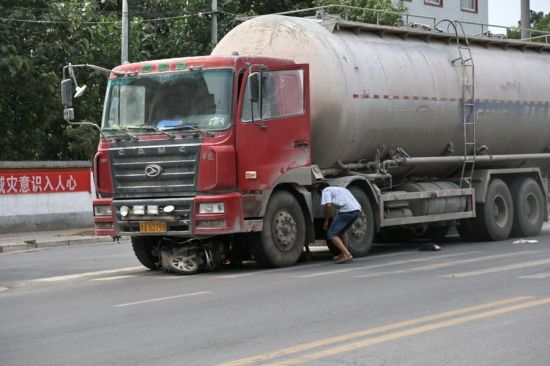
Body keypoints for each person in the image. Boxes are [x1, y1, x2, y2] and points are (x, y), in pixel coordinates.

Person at [320, 184, 362, 264]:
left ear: (321, 191)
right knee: (342, 232)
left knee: (331, 234)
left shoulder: (325, 190)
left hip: (347, 211)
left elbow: (328, 205)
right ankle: (343, 253)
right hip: (356, 210)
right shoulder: (342, 189)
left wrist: (326, 220)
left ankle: (347, 254)